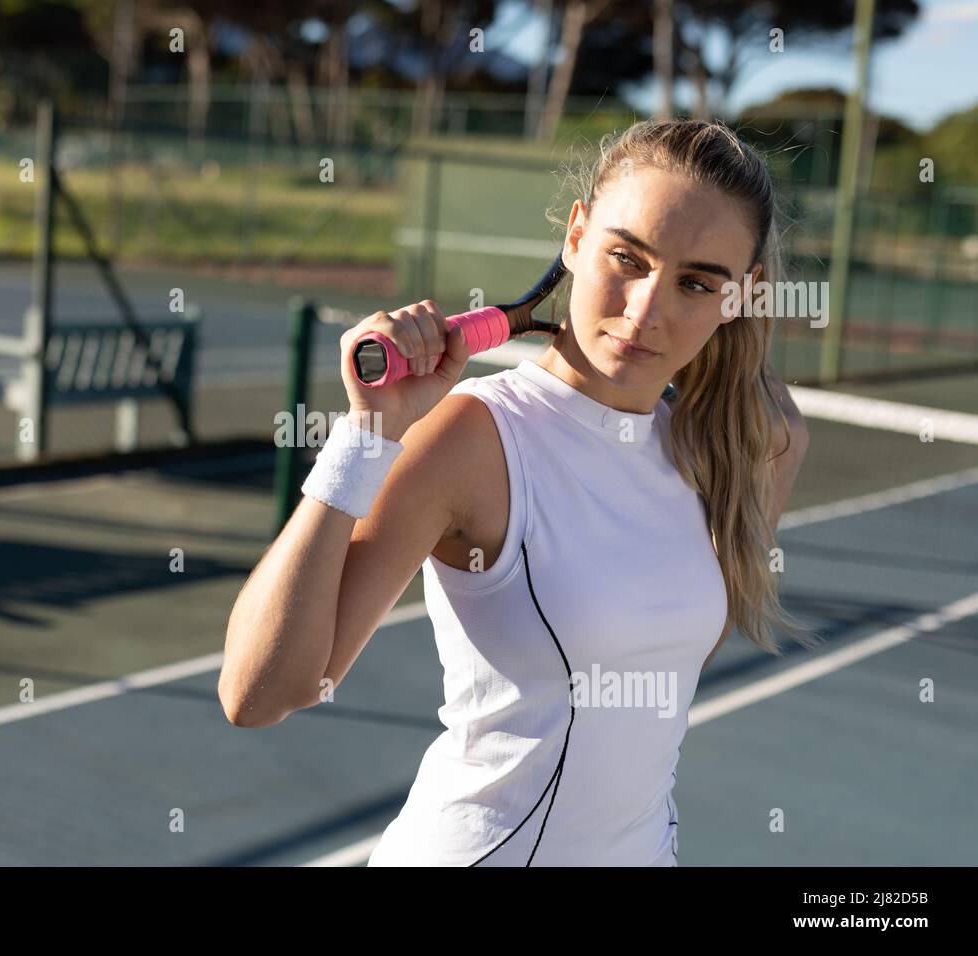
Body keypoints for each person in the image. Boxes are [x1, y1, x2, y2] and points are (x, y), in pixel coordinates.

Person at [220, 119, 818, 866]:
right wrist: (366, 436)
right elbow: (260, 692)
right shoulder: (473, 439)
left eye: (696, 282)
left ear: (744, 292)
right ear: (575, 237)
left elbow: (656, 683)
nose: (644, 312)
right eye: (625, 258)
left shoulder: (743, 447)